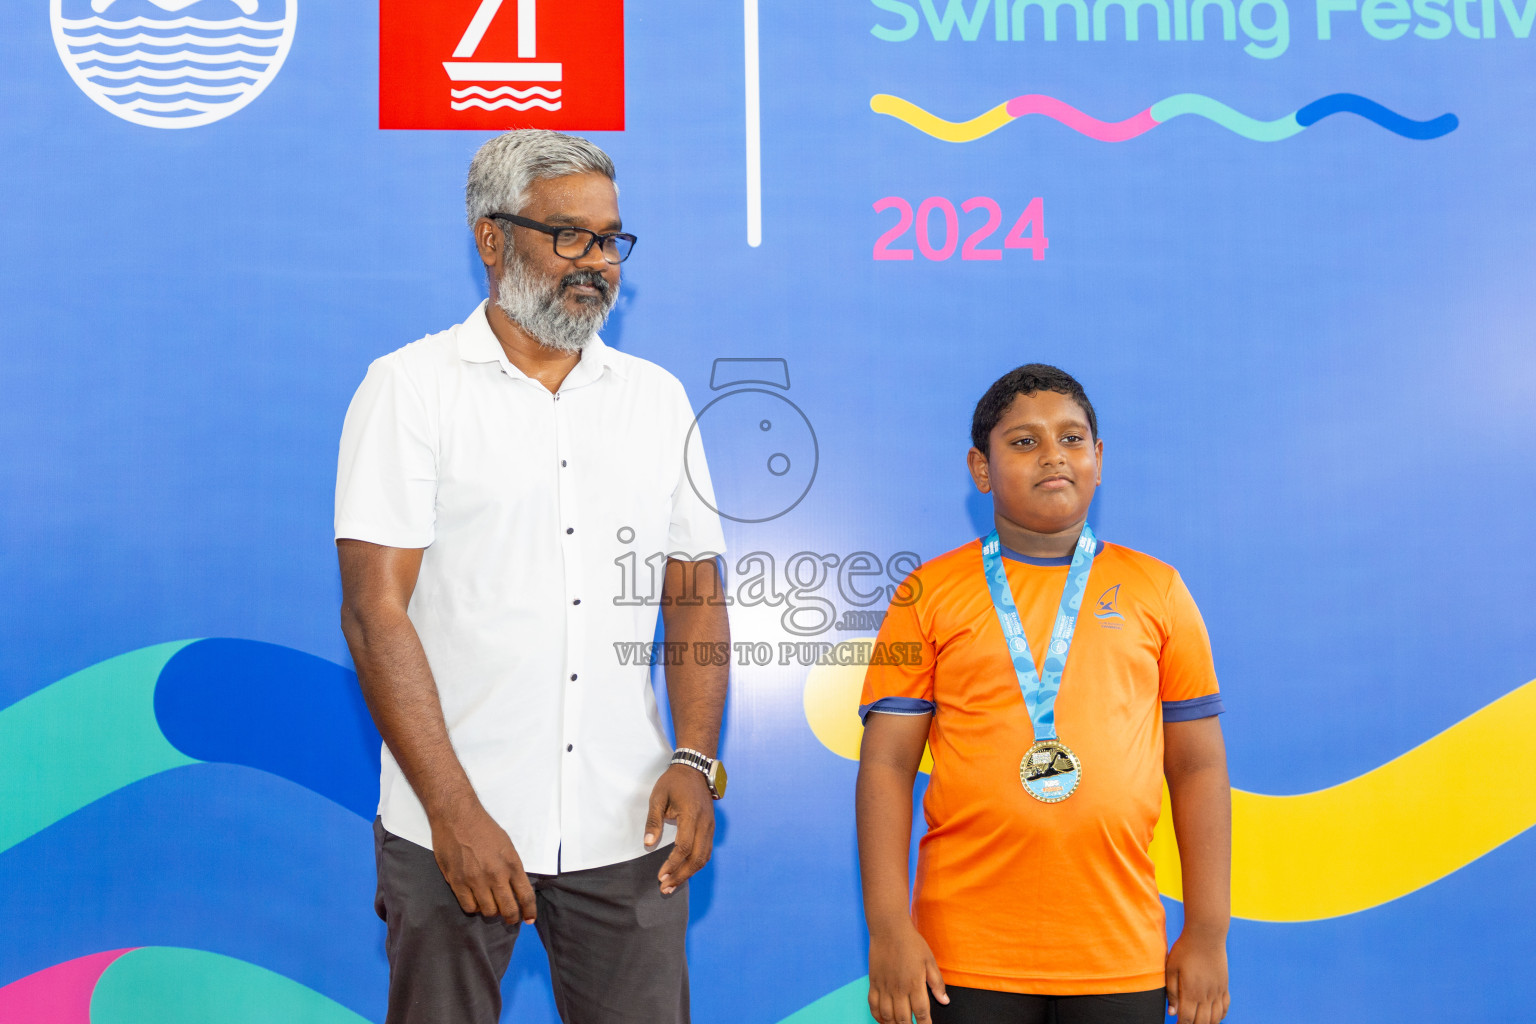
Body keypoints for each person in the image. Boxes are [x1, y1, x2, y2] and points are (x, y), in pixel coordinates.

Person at [333, 130, 730, 1024]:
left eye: (610, 239)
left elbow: (695, 590)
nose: (596, 262)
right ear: (491, 238)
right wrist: (455, 812)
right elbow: (374, 614)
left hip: (625, 827)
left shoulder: (656, 398)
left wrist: (697, 759)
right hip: (453, 830)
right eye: (569, 235)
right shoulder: (409, 389)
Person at [857, 365, 1231, 1024]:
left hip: (1118, 951)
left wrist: (1207, 932)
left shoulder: (1159, 590)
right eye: (1024, 442)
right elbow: (886, 765)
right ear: (981, 467)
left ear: (1099, 459)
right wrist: (889, 928)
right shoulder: (923, 593)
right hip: (962, 954)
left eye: (1072, 438)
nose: (1053, 454)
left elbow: (1198, 767)